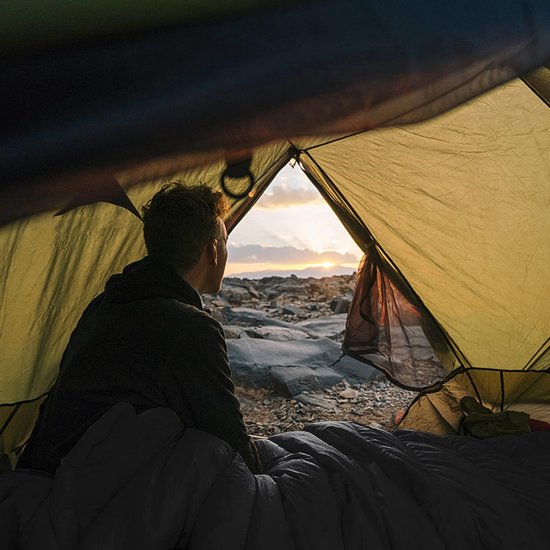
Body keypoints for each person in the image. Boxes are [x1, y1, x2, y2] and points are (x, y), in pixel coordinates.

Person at [17, 183, 262, 473]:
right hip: (89, 486)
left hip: (44, 465)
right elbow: (232, 443)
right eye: (225, 243)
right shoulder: (192, 328)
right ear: (213, 252)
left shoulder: (104, 303)